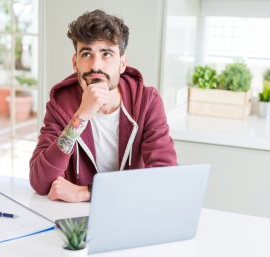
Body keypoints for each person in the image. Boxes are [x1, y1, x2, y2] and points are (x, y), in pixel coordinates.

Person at [29, 9, 177, 203]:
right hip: (76, 217)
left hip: (130, 210)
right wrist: (81, 116)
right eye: (86, 54)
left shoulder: (147, 101)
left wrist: (87, 192)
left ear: (122, 64)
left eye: (106, 54)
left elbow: (164, 177)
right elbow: (40, 182)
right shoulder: (61, 104)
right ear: (75, 63)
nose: (95, 65)